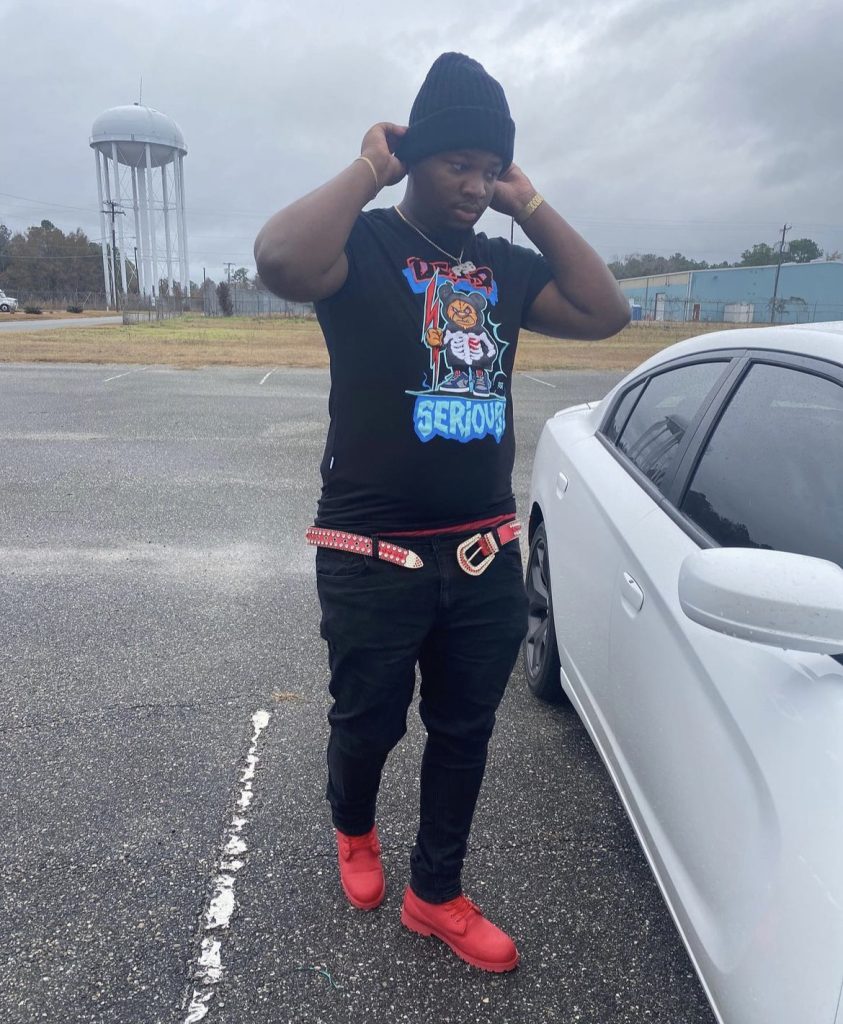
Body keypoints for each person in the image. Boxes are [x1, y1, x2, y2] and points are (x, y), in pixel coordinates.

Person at [255, 52, 629, 972]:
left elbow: (604, 311)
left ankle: (436, 893)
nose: (474, 185)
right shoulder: (363, 246)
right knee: (367, 722)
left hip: (481, 550)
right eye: (457, 163)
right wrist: (367, 168)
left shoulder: (502, 265)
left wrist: (529, 204)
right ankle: (353, 827)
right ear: (414, 158)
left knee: (464, 732)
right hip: (369, 549)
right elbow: (281, 261)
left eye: (488, 168)